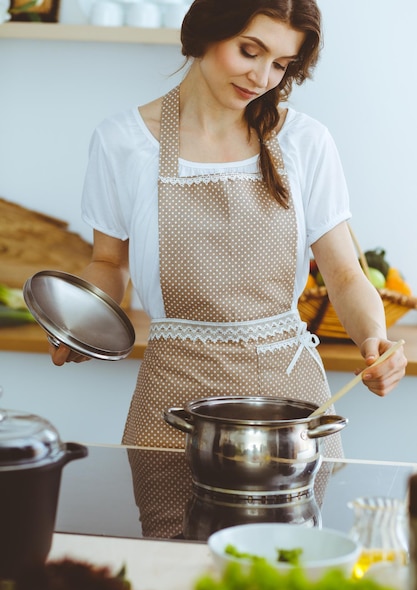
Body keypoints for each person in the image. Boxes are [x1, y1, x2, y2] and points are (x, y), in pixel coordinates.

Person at [49, 0, 406, 486]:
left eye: (281, 65)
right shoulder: (124, 141)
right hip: (173, 406)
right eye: (249, 51)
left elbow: (344, 273)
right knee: (169, 553)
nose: (262, 78)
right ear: (205, 34)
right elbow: (110, 262)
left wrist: (374, 339)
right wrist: (79, 321)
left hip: (290, 407)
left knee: (287, 556)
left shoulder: (304, 142)